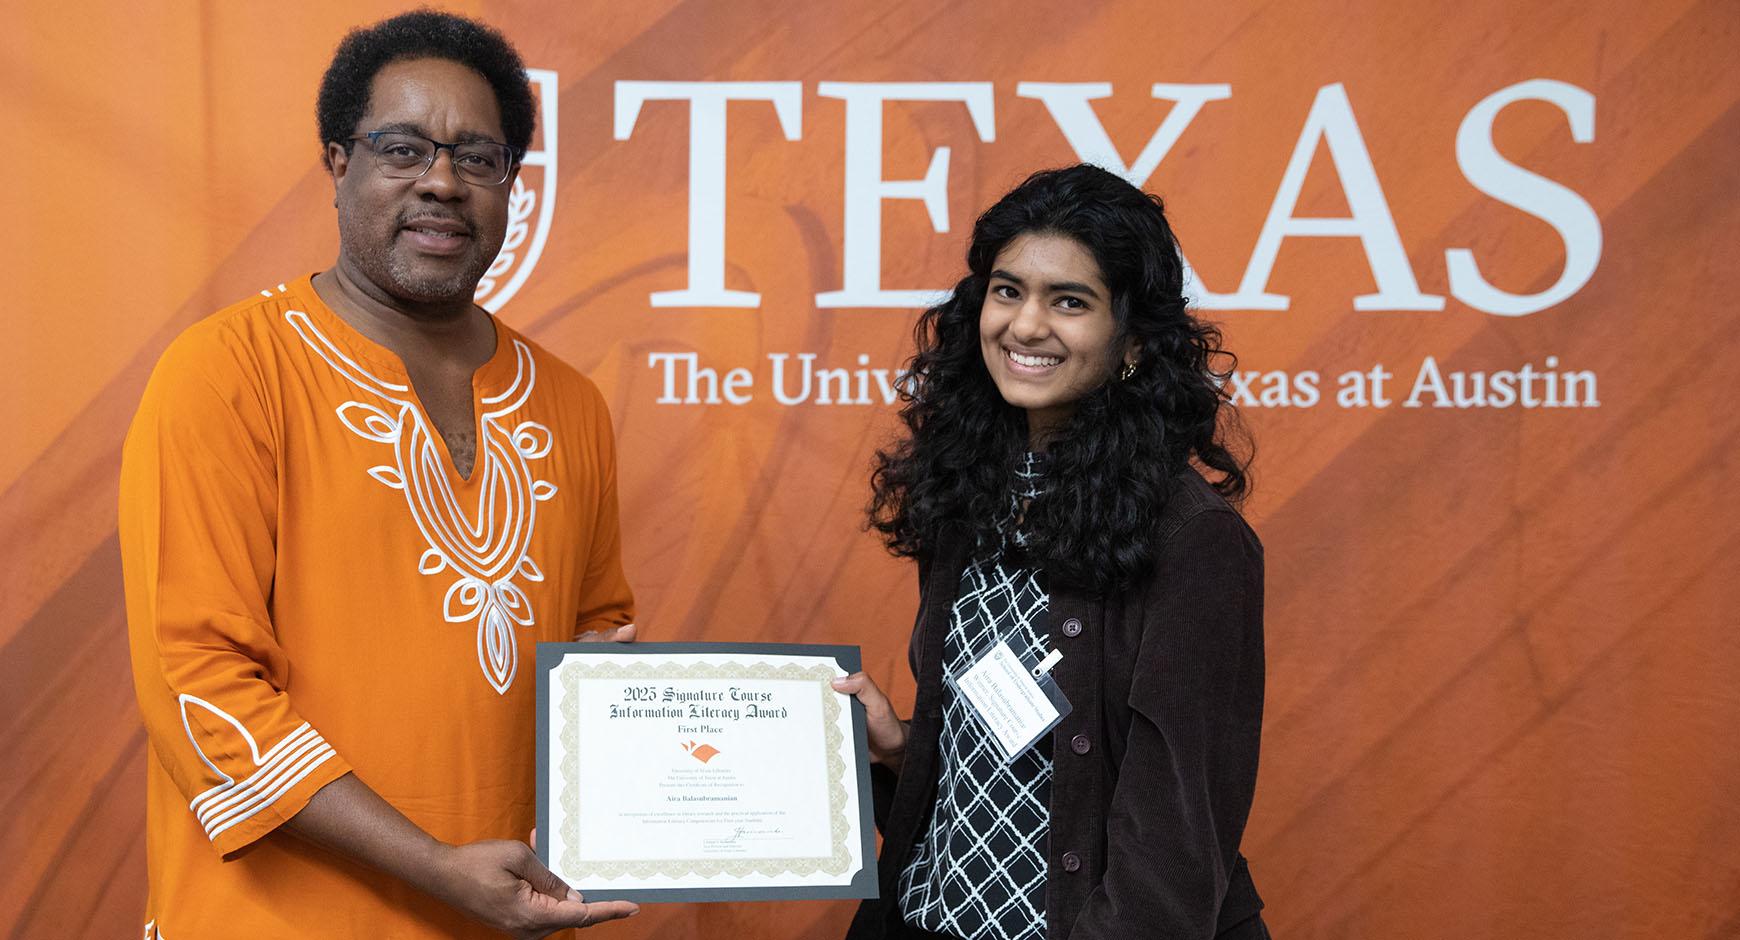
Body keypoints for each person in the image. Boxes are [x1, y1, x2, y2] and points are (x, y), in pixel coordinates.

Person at [119, 12, 638, 939]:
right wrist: (435, 868)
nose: (442, 181)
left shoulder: (570, 404)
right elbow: (195, 681)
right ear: (336, 162)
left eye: (479, 159)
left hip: (504, 920)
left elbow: (594, 636)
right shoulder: (228, 373)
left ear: (511, 186)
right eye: (403, 148)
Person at [832, 164, 1268, 939]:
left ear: (1131, 339)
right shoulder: (966, 506)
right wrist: (901, 750)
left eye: (1070, 301)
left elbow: (1173, 853)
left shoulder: (1195, 542)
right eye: (1008, 291)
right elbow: (995, 791)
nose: (1025, 326)